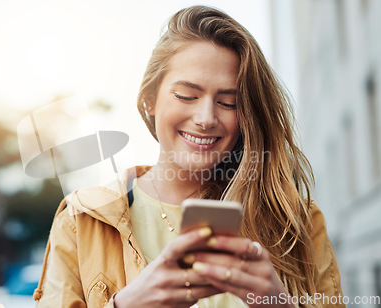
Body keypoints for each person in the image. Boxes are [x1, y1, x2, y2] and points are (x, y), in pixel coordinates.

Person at [33, 5, 344, 308]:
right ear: (151, 100)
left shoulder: (295, 221)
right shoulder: (83, 219)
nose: (206, 117)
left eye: (228, 103)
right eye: (187, 95)